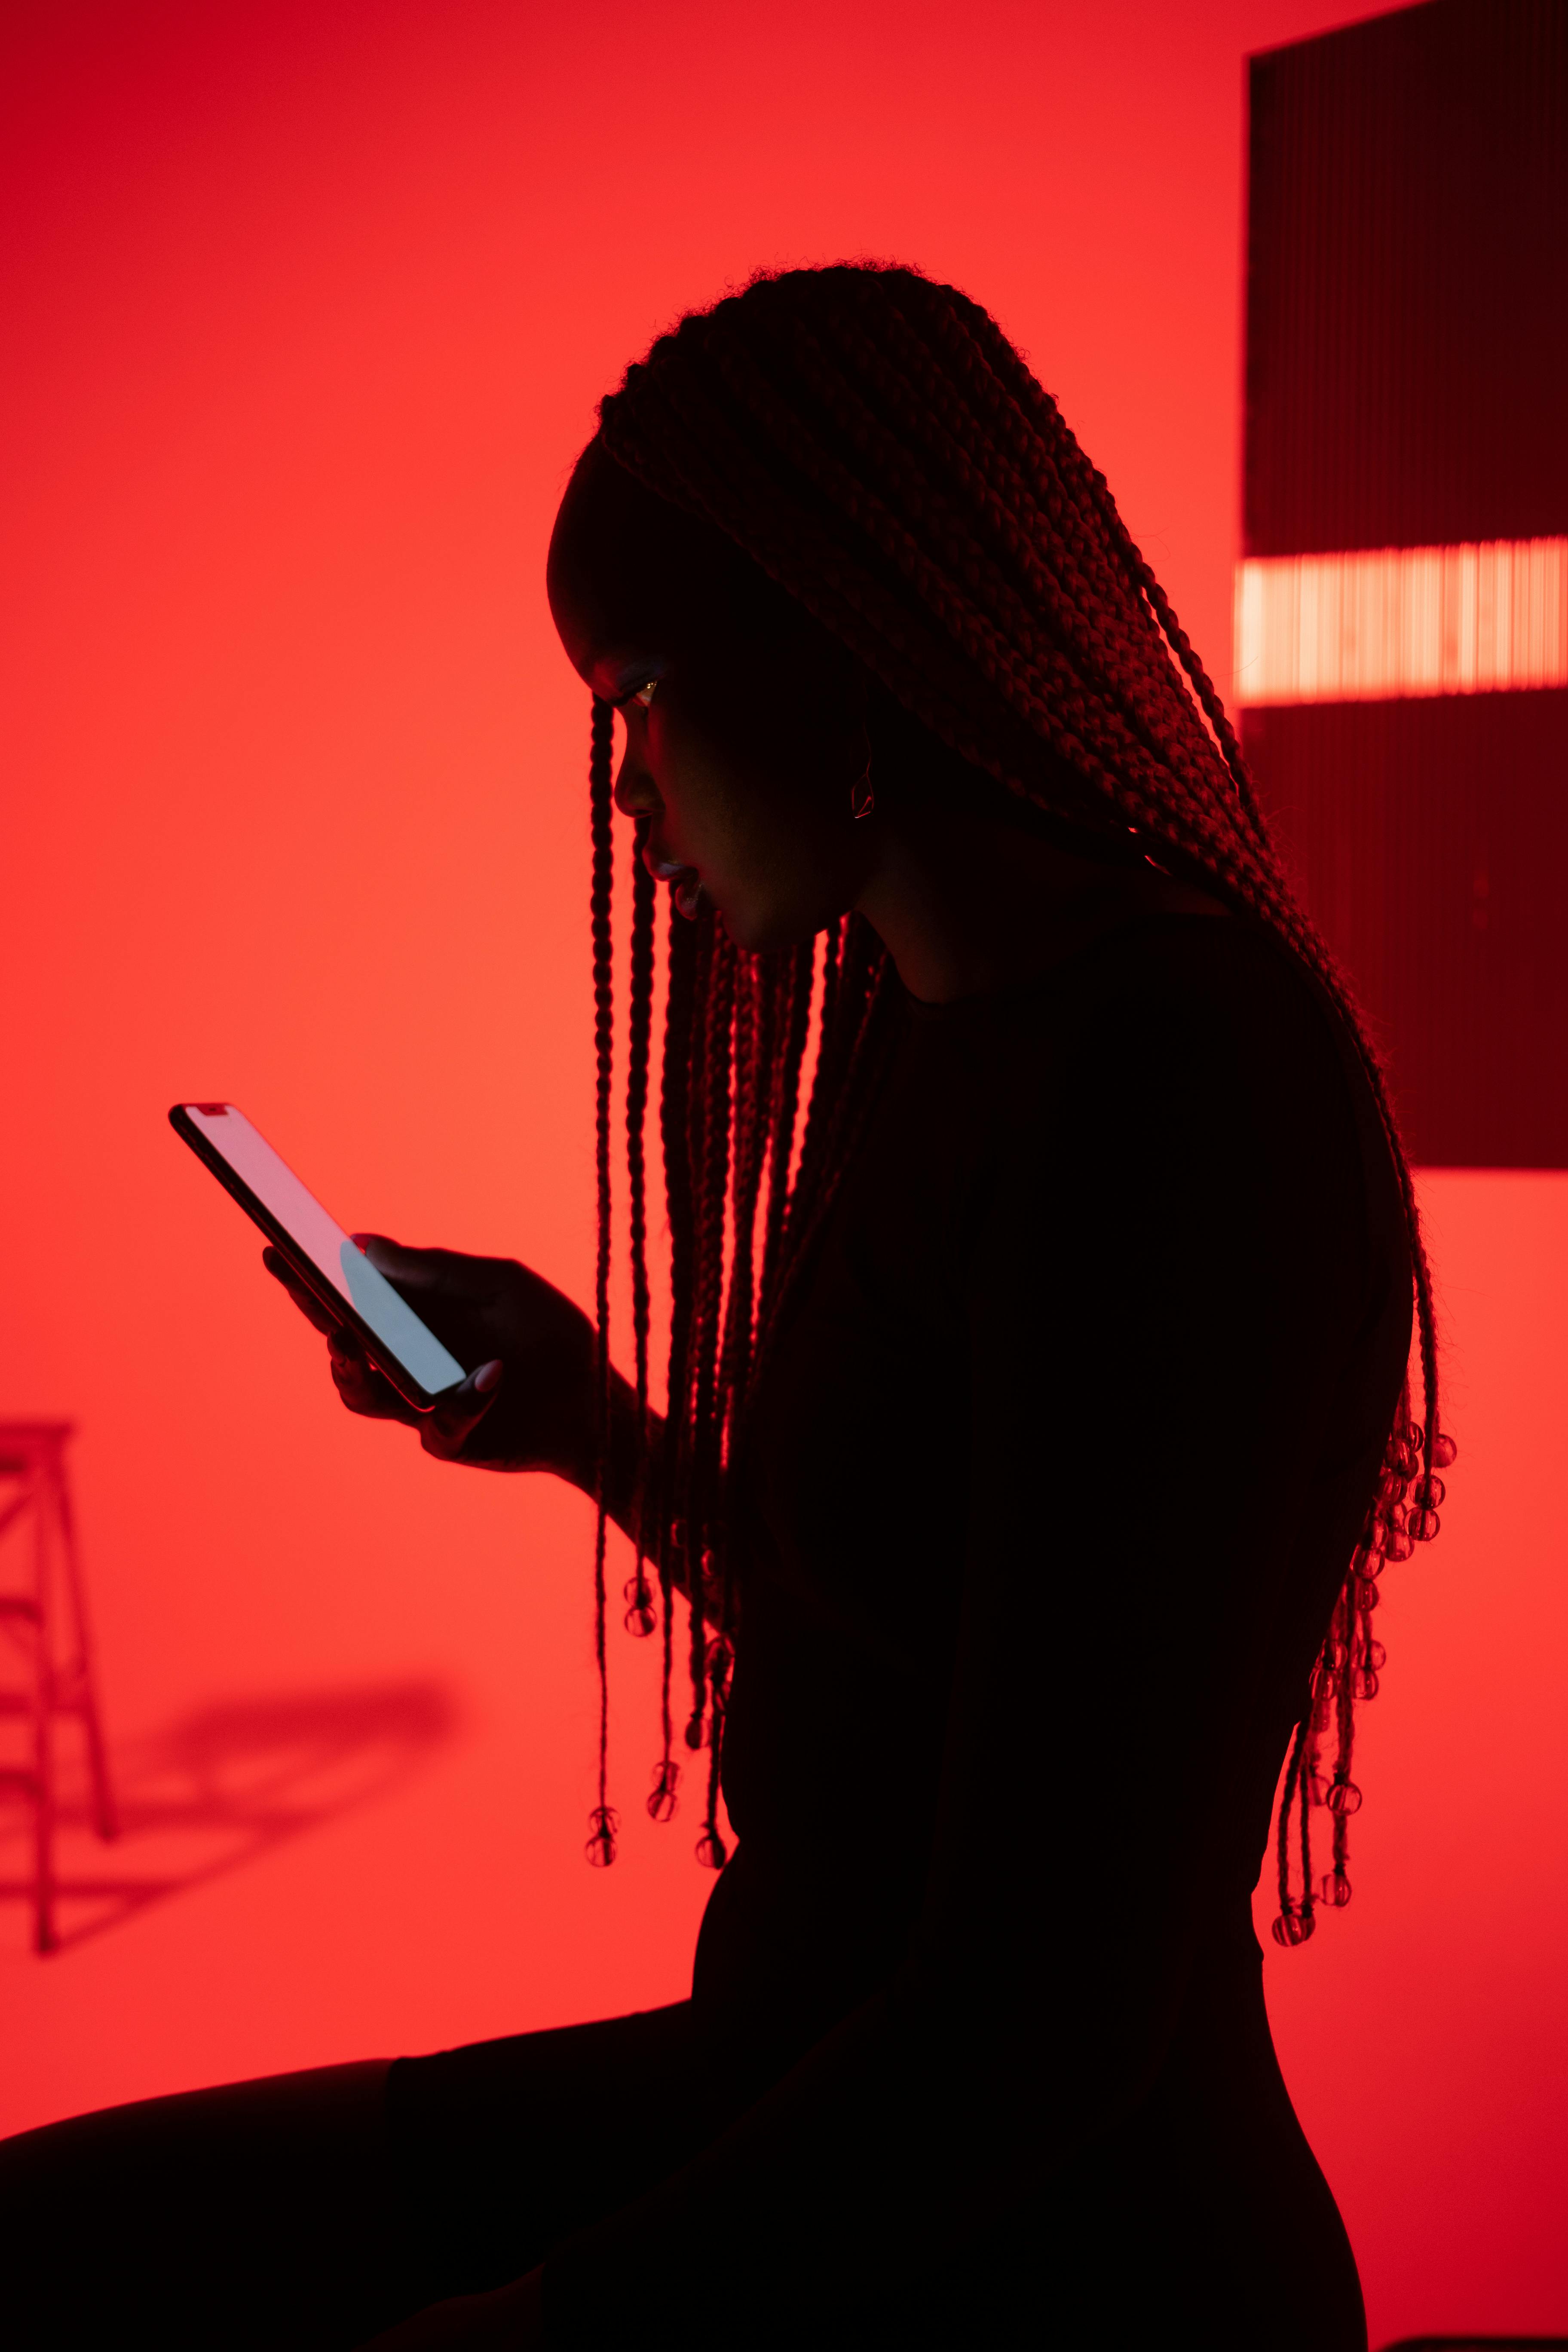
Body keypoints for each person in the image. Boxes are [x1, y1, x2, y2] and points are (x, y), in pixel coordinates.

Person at [0, 264, 1451, 2350]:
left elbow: (1042, 2007)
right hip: (799, 2096)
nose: (627, 785)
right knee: (60, 2243)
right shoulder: (950, 1041)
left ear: (840, 661)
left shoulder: (1175, 1088)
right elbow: (906, 1653)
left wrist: (547, 2332)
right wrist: (592, 1423)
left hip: (1032, 2243)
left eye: (643, 690)